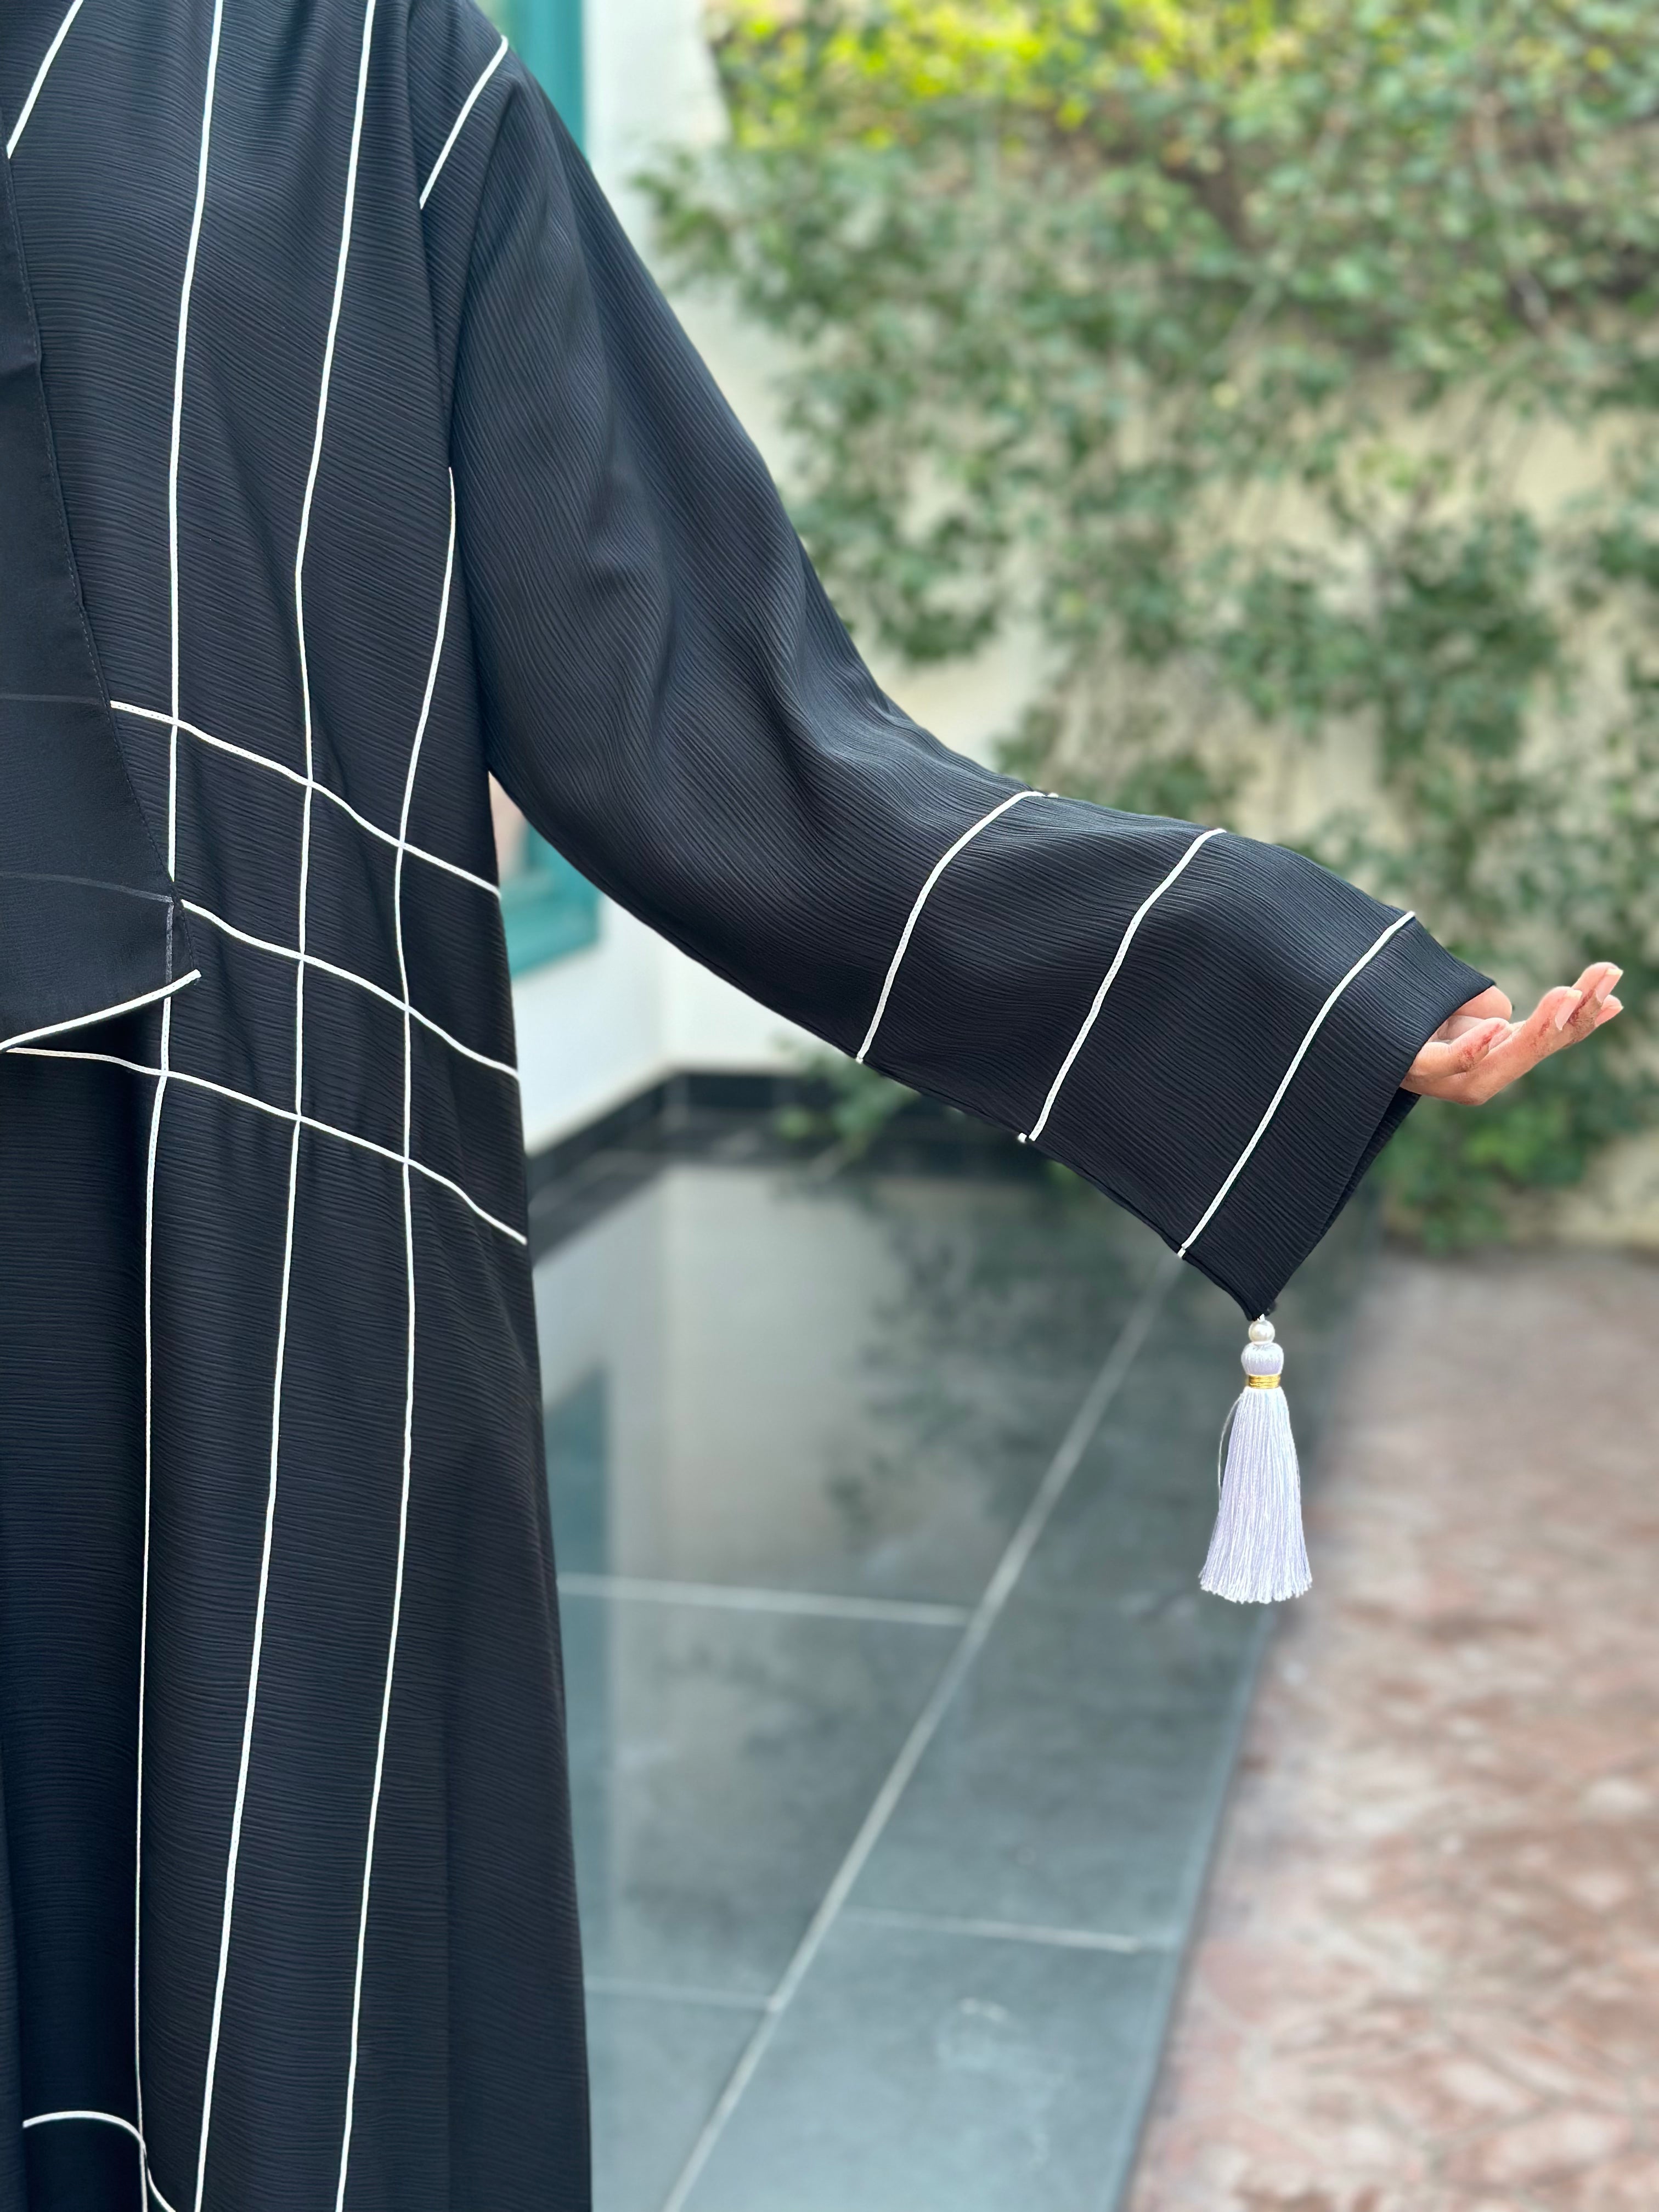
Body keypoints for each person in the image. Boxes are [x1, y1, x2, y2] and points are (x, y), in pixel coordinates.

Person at [0, 3, 1620, 2207]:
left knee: (236, 1954)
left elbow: (678, 673)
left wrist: (1275, 977)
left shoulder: (324, 54)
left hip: (229, 1192)